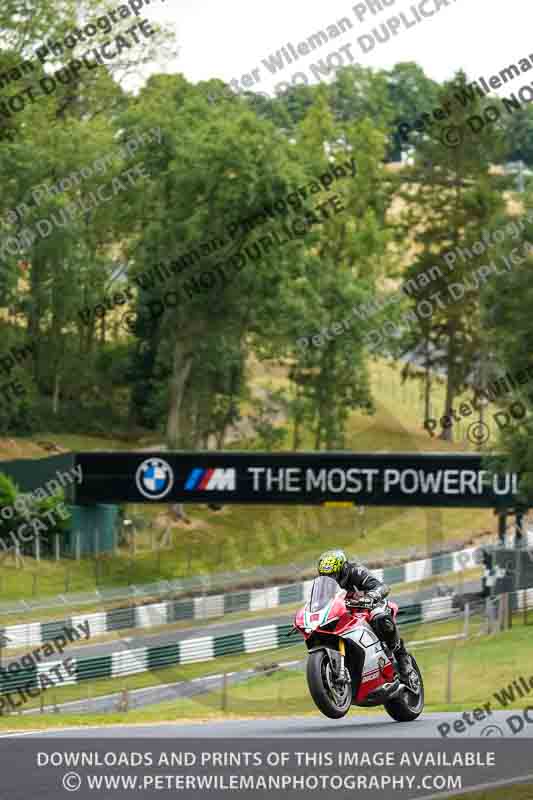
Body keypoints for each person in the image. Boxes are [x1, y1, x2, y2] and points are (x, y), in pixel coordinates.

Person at [316, 549, 412, 682]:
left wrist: (371, 596)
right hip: (346, 614)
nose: (330, 580)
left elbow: (382, 587)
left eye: (333, 575)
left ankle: (401, 656)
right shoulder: (323, 587)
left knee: (380, 617)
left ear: (342, 569)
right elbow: (318, 604)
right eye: (326, 577)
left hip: (368, 606)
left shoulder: (356, 571)